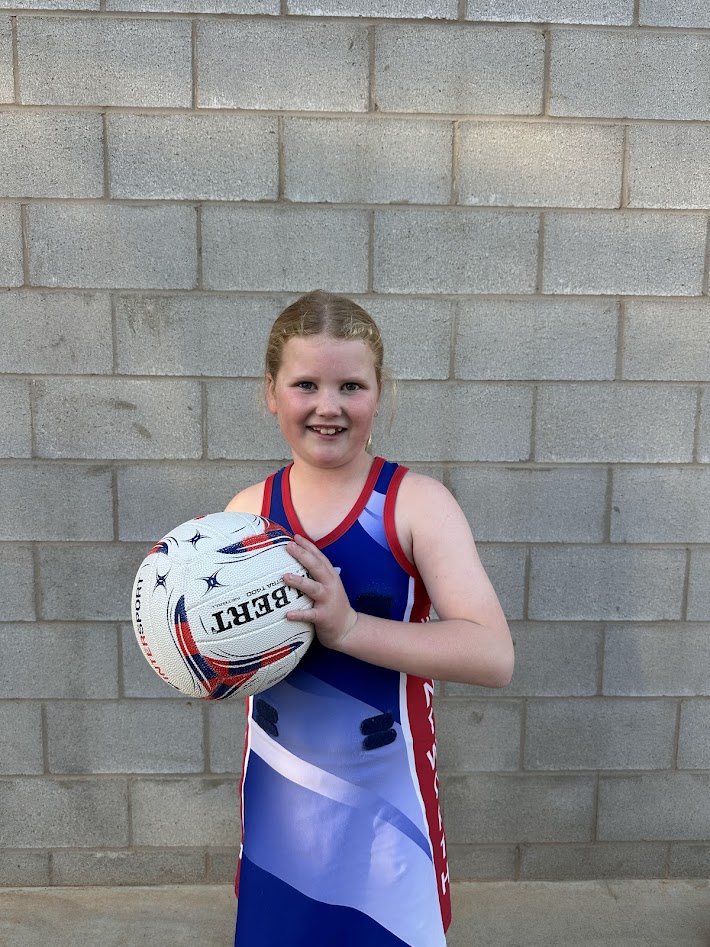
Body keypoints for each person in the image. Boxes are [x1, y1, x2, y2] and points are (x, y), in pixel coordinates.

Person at [225, 290, 513, 947]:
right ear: (270, 393)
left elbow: (493, 655)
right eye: (305, 384)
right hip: (280, 803)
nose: (328, 406)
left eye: (350, 385)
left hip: (388, 809)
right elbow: (230, 656)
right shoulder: (246, 513)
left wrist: (350, 628)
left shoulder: (416, 504)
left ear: (379, 394)